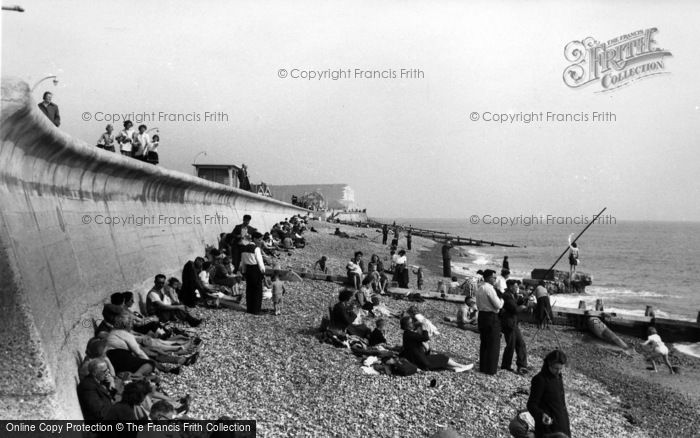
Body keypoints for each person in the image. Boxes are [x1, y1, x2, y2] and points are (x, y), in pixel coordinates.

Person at [399, 316, 472, 372]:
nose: (413, 323)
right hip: (421, 362)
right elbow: (425, 338)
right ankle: (461, 366)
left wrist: (419, 325)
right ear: (408, 325)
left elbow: (419, 338)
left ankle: (455, 368)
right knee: (442, 357)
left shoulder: (407, 334)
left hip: (416, 360)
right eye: (411, 322)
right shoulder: (410, 334)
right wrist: (425, 329)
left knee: (438, 360)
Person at [527, 350, 571, 438]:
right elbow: (531, 404)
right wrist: (541, 415)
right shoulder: (540, 380)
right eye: (555, 368)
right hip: (548, 428)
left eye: (560, 368)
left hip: (563, 423)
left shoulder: (558, 377)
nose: (558, 371)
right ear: (548, 364)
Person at [103, 313, 155, 377]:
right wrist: (148, 361)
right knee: (150, 364)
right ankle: (136, 374)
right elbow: (138, 352)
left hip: (111, 359)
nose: (132, 325)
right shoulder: (125, 334)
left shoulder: (112, 332)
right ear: (128, 324)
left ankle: (124, 373)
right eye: (131, 323)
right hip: (121, 357)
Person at [475, 269, 503, 375]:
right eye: (494, 277)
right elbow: (498, 305)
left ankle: (483, 367)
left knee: (484, 343)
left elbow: (477, 304)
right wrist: (502, 300)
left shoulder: (480, 288)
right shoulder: (489, 289)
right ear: (488, 278)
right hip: (491, 316)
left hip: (482, 316)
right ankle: (491, 369)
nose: (495, 279)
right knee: (493, 344)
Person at [501, 279, 529, 374]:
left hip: (514, 323)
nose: (517, 288)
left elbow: (515, 303)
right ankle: (505, 365)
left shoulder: (512, 295)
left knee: (521, 344)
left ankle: (522, 366)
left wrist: (522, 301)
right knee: (511, 345)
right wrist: (522, 307)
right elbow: (514, 309)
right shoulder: (506, 296)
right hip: (509, 323)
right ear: (510, 286)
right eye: (516, 286)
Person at [240, 231, 266, 314]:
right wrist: (263, 271)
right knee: (257, 291)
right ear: (254, 239)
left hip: (248, 270)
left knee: (249, 290)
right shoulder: (256, 249)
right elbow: (260, 262)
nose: (260, 241)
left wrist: (244, 272)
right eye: (259, 239)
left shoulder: (244, 248)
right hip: (255, 270)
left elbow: (243, 262)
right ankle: (256, 310)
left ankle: (250, 309)